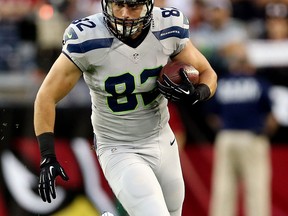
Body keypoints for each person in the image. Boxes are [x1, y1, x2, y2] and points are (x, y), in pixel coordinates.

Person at [34, 0, 217, 215]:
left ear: (149, 5)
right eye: (117, 4)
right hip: (118, 146)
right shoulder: (88, 37)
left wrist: (198, 93)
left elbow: (208, 73)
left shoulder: (167, 26)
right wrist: (47, 154)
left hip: (162, 139)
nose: (124, 14)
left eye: (133, 6)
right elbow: (46, 96)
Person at [207, 42, 278, 216]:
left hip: (226, 137)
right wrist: (265, 132)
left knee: (223, 189)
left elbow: (211, 115)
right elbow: (271, 117)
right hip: (251, 137)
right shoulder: (258, 83)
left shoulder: (222, 83)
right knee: (256, 189)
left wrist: (225, 128)